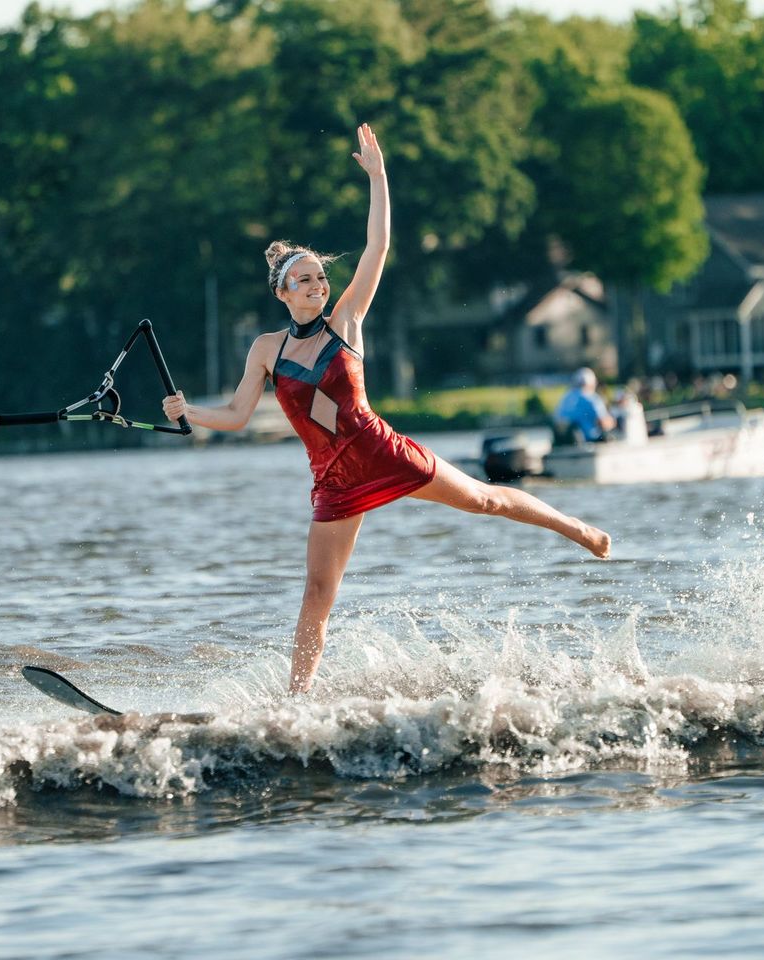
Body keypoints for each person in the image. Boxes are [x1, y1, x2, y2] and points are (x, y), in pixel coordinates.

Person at [163, 124, 611, 695]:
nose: (316, 286)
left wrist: (378, 178)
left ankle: (581, 531)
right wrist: (189, 411)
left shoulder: (346, 321)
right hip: (335, 481)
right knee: (316, 597)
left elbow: (377, 249)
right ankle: (295, 704)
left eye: (320, 277)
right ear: (282, 292)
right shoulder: (265, 351)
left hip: (381, 451)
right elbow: (235, 414)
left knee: (484, 498)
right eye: (304, 280)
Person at [553, 368, 615, 444]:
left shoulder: (565, 398)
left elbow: (557, 420)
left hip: (567, 441)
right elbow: (603, 423)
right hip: (589, 441)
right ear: (592, 383)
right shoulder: (592, 398)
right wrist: (613, 421)